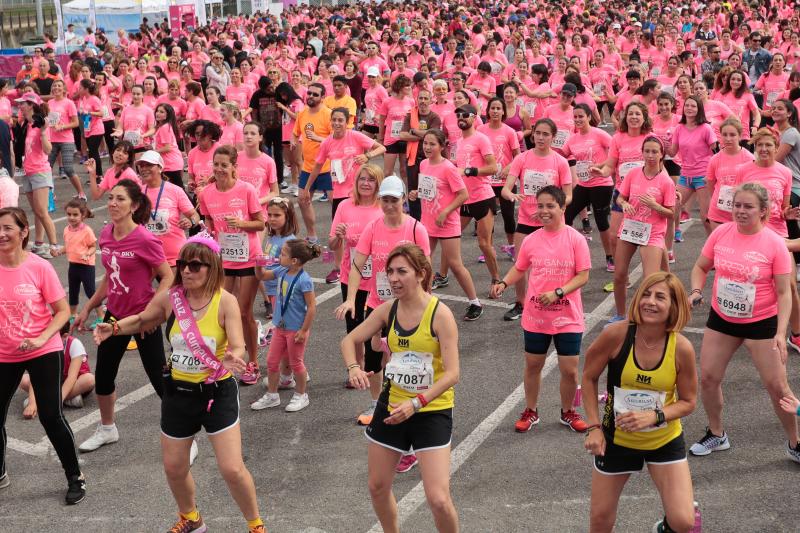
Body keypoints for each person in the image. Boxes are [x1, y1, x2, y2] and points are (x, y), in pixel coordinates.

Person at [93, 236, 266, 533]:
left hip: (216, 394)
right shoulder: (172, 297)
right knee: (174, 468)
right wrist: (116, 327)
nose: (186, 270)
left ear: (211, 268)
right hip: (178, 394)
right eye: (182, 264)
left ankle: (255, 525)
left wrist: (232, 359)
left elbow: (237, 345)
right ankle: (191, 518)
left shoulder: (225, 301)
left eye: (195, 265)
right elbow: (145, 319)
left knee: (232, 469)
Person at [341, 243, 459, 532]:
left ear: (420, 274)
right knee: (377, 487)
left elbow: (453, 374)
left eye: (401, 272)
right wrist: (354, 367)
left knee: (439, 499)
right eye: (390, 271)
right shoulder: (387, 310)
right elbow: (348, 341)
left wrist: (417, 403)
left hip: (430, 410)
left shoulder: (440, 315)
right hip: (392, 406)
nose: (393, 278)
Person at [687, 182, 800, 463]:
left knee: (777, 387)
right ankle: (717, 433)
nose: (740, 211)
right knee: (709, 378)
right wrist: (696, 291)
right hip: (722, 318)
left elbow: (785, 293)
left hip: (761, 323)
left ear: (763, 211)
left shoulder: (774, 244)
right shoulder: (721, 233)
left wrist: (780, 332)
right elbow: (701, 266)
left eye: (748, 206)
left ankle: (795, 443)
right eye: (737, 205)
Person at [583, 272, 697, 533]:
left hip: (663, 440)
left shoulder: (682, 348)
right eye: (645, 294)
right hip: (616, 441)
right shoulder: (615, 335)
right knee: (600, 522)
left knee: (684, 522)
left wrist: (655, 416)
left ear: (674, 306)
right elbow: (589, 378)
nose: (650, 302)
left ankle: (667, 525)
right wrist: (593, 427)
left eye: (660, 297)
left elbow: (689, 401)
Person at [74, 179, 174, 453]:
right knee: (104, 376)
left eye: (120, 199)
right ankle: (108, 428)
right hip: (114, 318)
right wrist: (87, 307)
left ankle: (182, 436)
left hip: (143, 320)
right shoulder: (106, 233)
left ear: (135, 205)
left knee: (159, 380)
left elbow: (168, 277)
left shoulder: (144, 238)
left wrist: (151, 312)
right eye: (110, 198)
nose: (113, 203)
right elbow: (109, 277)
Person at [335, 175, 431, 442]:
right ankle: (377, 402)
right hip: (378, 305)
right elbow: (357, 265)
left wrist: (427, 303)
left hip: (409, 306)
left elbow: (426, 270)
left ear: (403, 200)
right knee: (374, 353)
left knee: (407, 357)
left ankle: (412, 402)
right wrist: (350, 298)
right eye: (385, 200)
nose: (389, 206)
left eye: (394, 200)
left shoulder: (415, 229)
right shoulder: (373, 227)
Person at [0, 207, 85, 504]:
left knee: (50, 415)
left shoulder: (38, 267)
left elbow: (62, 312)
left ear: (24, 232)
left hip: (43, 349)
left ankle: (75, 476)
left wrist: (40, 338)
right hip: (4, 353)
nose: (1, 234)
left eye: (8, 228)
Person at [491, 185, 590, 432]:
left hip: (567, 316)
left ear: (562, 207)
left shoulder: (575, 239)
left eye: (550, 206)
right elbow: (520, 268)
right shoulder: (532, 240)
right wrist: (504, 282)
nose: (544, 211)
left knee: (569, 370)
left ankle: (568, 411)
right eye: (541, 206)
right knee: (533, 365)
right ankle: (531, 411)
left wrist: (558, 292)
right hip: (536, 317)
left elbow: (583, 276)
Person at [198, 146, 265, 386]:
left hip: (248, 257)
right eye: (216, 164)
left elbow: (261, 223)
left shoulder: (246, 190)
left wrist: (241, 223)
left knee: (245, 312)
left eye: (224, 165)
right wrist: (207, 231)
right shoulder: (206, 193)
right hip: (223, 259)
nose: (219, 169)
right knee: (221, 312)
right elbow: (208, 220)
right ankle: (226, 359)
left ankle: (253, 361)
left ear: (234, 166)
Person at [501, 118, 572, 321]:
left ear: (553, 137)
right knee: (520, 264)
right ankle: (521, 302)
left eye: (545, 134)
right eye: (537, 133)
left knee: (554, 265)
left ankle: (555, 299)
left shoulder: (560, 162)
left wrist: (549, 209)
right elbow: (506, 188)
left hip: (552, 223)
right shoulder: (522, 158)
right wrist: (511, 195)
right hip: (525, 219)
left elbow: (569, 195)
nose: (540, 138)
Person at [307, 107, 385, 283]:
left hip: (360, 192)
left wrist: (367, 156)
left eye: (340, 120)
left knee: (362, 229)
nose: (336, 123)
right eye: (334, 120)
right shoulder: (327, 142)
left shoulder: (355, 136)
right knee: (338, 234)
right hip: (340, 195)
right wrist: (306, 188)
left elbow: (381, 147)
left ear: (347, 121)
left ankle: (371, 263)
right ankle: (339, 268)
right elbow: (318, 166)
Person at [413, 129, 481, 320]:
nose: (427, 147)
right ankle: (426, 301)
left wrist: (445, 211)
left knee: (455, 264)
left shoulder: (448, 167)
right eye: (425, 143)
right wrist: (415, 193)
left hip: (447, 223)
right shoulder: (424, 164)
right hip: (428, 221)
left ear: (442, 146)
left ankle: (475, 302)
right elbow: (428, 190)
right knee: (424, 263)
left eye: (432, 144)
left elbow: (463, 194)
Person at [329, 164, 384, 388]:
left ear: (378, 183)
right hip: (349, 276)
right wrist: (339, 237)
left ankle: (377, 366)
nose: (365, 183)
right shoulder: (345, 206)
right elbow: (332, 243)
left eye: (371, 179)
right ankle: (358, 367)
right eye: (362, 179)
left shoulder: (383, 208)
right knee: (354, 326)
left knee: (377, 325)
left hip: (378, 279)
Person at [611, 137, 676, 323]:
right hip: (630, 227)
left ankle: (651, 317)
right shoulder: (632, 174)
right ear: (642, 152)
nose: (650, 155)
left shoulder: (666, 182)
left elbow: (671, 214)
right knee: (619, 274)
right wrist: (623, 204)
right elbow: (620, 198)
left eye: (655, 151)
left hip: (653, 232)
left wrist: (655, 206)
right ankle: (620, 315)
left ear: (662, 154)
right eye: (647, 151)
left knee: (651, 282)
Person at [251, 240, 320, 412]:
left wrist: (304, 330)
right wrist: (258, 265)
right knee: (272, 361)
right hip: (280, 327)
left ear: (294, 260)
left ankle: (301, 395)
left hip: (295, 329)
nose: (279, 256)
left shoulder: (304, 280)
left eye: (283, 254)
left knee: (296, 363)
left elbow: (311, 307)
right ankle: (272, 395)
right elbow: (262, 276)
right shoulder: (282, 270)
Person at [562, 103, 614, 270]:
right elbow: (561, 156)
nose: (577, 119)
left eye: (581, 116)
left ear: (589, 117)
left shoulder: (599, 134)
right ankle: (569, 253)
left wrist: (601, 165)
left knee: (601, 222)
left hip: (601, 185)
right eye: (575, 117)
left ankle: (610, 256)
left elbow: (616, 152)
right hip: (584, 185)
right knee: (566, 214)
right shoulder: (572, 139)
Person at [16, 93, 62, 259]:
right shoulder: (27, 124)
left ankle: (54, 245)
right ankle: (39, 244)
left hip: (40, 171)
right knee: (37, 211)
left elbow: (48, 150)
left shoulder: (41, 124)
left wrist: (43, 133)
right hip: (28, 171)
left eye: (23, 104)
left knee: (42, 211)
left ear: (31, 105)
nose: (20, 106)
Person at [136, 150, 199, 269]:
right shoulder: (138, 193)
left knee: (171, 288)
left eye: (149, 165)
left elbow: (194, 215)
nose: (144, 168)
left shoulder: (175, 190)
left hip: (173, 257)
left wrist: (191, 222)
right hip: (148, 255)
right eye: (141, 165)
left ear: (160, 168)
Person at [20, 322, 95, 418]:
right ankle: (69, 400)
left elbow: (72, 378)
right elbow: (37, 376)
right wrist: (31, 403)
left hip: (74, 383)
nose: (46, 339)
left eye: (51, 336)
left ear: (65, 336)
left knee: (89, 379)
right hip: (53, 383)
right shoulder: (43, 344)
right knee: (23, 380)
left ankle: (45, 400)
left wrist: (58, 401)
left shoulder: (75, 344)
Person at [667, 96, 716, 241]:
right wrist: (661, 142)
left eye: (693, 106)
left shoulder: (706, 128)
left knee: (705, 217)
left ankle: (714, 248)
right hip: (685, 175)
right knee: (673, 206)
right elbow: (672, 152)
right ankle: (675, 232)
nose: (689, 108)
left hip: (703, 176)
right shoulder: (679, 128)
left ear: (699, 109)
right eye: (687, 105)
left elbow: (716, 151)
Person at [294, 82, 332, 242]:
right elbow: (295, 132)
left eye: (315, 94)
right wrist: (293, 140)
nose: (311, 96)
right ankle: (312, 235)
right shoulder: (302, 114)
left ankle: (340, 236)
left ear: (322, 97)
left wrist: (319, 139)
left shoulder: (329, 114)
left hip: (328, 168)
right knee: (303, 200)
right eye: (309, 93)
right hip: (308, 167)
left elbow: (337, 140)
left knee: (337, 204)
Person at [51, 199, 99, 324]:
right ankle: (73, 314)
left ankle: (101, 316)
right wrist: (59, 252)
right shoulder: (67, 229)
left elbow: (93, 246)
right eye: (69, 214)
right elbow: (69, 246)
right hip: (73, 265)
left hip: (86, 266)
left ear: (82, 215)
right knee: (73, 291)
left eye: (75, 215)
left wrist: (87, 254)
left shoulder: (87, 230)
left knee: (91, 292)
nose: (71, 217)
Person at [706, 118, 754, 229]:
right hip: (718, 212)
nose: (728, 139)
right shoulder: (715, 159)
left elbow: (752, 187)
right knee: (719, 245)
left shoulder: (749, 158)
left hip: (742, 212)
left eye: (732, 135)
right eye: (724, 135)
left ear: (740, 136)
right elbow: (710, 184)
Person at [46, 79, 86, 200]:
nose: (56, 88)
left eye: (59, 86)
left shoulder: (69, 103)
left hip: (66, 140)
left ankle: (81, 193)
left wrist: (62, 126)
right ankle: (50, 194)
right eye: (54, 86)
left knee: (68, 169)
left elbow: (75, 123)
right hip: (51, 139)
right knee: (46, 168)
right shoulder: (49, 103)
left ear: (64, 89)